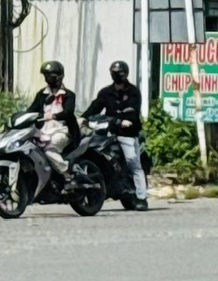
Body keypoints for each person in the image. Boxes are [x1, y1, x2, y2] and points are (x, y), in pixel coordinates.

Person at [88, 58, 151, 210]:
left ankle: (142, 197)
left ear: (126, 74)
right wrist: (82, 118)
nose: (117, 75)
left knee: (133, 163)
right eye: (115, 73)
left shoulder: (133, 91)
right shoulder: (106, 92)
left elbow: (132, 111)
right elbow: (95, 107)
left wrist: (124, 120)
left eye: (120, 73)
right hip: (108, 132)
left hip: (127, 133)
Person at [26, 60, 79, 163]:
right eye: (46, 76)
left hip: (62, 131)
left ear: (60, 77)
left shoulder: (68, 95)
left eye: (51, 76)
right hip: (42, 131)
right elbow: (31, 110)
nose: (48, 79)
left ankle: (66, 173)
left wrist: (53, 116)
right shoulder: (42, 94)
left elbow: (68, 113)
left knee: (49, 151)